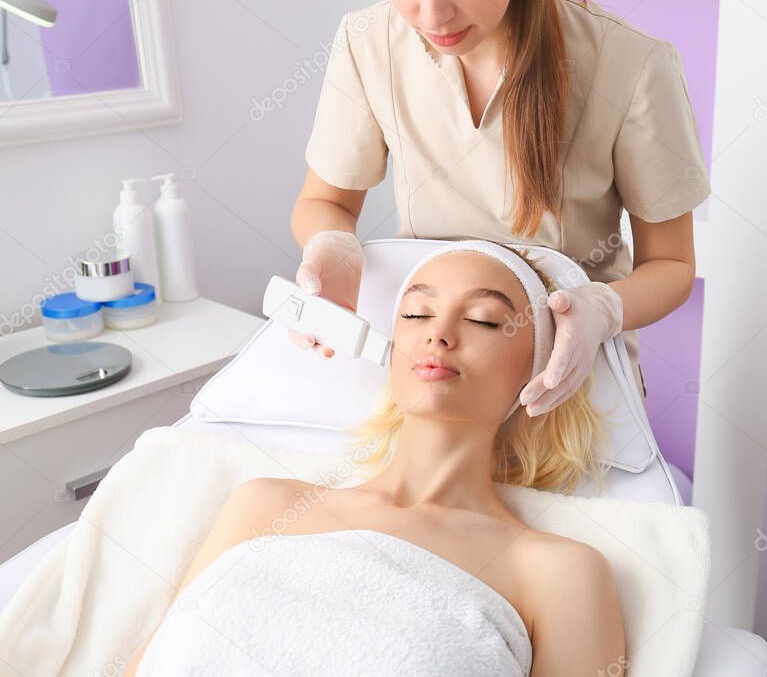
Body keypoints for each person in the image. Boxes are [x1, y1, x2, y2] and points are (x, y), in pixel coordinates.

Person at [125, 241, 625, 676]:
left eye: (484, 320)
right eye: (415, 314)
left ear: (543, 369)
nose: (439, 334)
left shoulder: (559, 573)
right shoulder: (265, 505)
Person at [290, 0, 711, 417]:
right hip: (432, 376)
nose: (433, 14)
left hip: (565, 390)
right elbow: (326, 202)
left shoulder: (629, 62)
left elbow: (671, 263)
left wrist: (602, 310)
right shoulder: (369, 41)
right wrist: (332, 245)